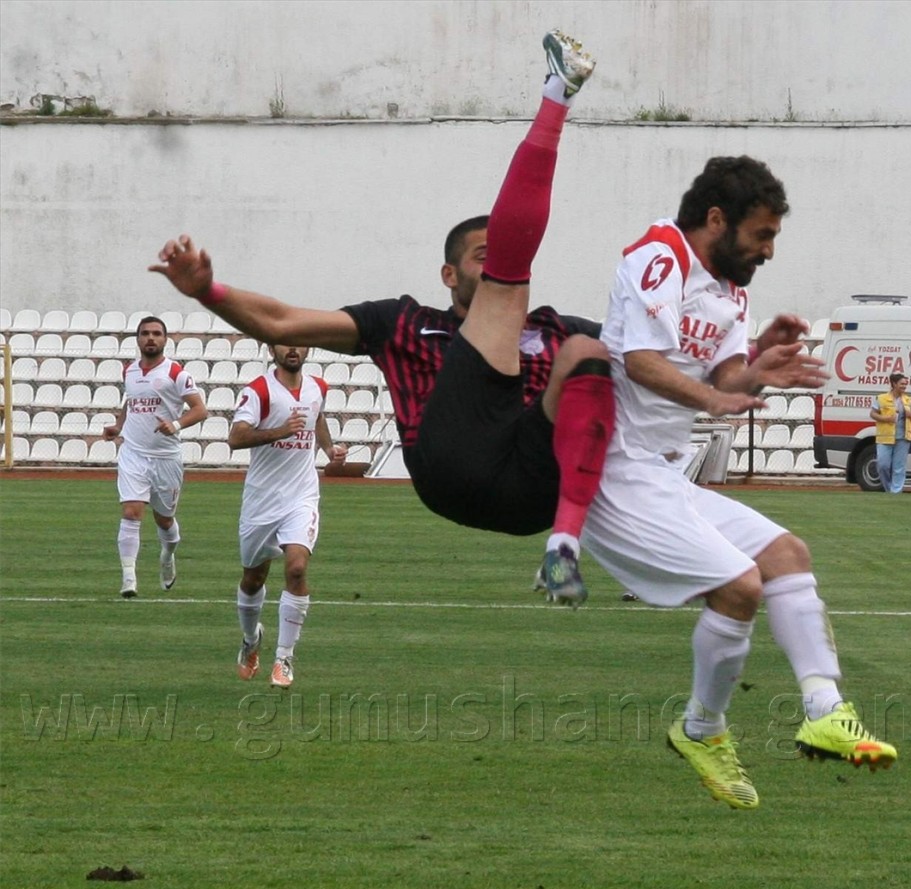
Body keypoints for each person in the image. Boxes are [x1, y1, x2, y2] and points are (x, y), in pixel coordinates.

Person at [149, 31, 612, 607]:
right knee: (526, 310)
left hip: (534, 491)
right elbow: (282, 323)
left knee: (599, 354)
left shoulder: (555, 328)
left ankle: (568, 547)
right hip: (454, 467)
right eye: (482, 258)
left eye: (502, 256)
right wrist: (208, 290)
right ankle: (556, 95)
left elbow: (648, 356)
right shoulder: (404, 324)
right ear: (449, 275)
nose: (497, 267)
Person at [581, 156, 898, 810]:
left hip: (662, 475)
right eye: (761, 235)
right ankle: (702, 730)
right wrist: (711, 395)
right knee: (740, 586)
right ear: (716, 219)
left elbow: (725, 381)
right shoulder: (659, 255)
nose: (768, 251)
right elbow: (636, 360)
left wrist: (758, 367)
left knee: (786, 556)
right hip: (612, 472)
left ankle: (824, 710)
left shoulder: (731, 288)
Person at [229, 344, 347, 687]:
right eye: (285, 342)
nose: (292, 348)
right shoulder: (260, 390)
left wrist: (328, 448)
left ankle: (284, 658)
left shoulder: (318, 387)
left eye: (299, 342)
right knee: (253, 578)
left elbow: (317, 416)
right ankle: (251, 640)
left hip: (301, 495)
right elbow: (235, 438)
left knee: (296, 567)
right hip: (261, 501)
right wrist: (281, 430)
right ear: (271, 348)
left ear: (308, 348)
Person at [102, 315, 207, 597]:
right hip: (133, 453)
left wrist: (176, 424)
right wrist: (119, 426)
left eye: (156, 333)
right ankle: (128, 578)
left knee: (164, 520)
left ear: (165, 339)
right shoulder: (129, 371)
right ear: (137, 339)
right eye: (145, 333)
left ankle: (167, 555)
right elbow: (130, 402)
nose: (151, 338)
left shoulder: (176, 373)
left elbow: (200, 409)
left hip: (166, 458)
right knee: (131, 511)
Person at [870, 372, 911, 493]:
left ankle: (895, 491)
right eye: (902, 384)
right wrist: (886, 419)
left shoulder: (907, 400)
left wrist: (910, 414)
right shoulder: (881, 398)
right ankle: (889, 489)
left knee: (899, 467)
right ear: (894, 384)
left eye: (905, 384)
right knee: (883, 465)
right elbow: (873, 414)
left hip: (903, 437)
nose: (904, 386)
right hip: (885, 437)